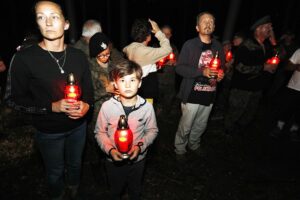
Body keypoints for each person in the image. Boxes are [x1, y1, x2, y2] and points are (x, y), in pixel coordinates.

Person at [4, 1, 94, 199]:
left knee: (75, 164)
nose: (48, 22)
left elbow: (89, 91)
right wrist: (51, 107)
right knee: (54, 172)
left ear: (66, 23)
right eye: (41, 17)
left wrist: (87, 105)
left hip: (78, 128)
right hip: (48, 132)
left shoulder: (78, 56)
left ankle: (74, 188)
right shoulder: (23, 58)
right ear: (37, 24)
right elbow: (12, 99)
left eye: (54, 16)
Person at [95, 60, 158, 200]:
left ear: (140, 83)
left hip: (138, 160)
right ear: (116, 84)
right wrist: (110, 150)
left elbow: (152, 130)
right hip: (113, 160)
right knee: (115, 189)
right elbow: (99, 132)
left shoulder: (146, 107)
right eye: (123, 80)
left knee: (135, 190)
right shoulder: (107, 106)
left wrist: (139, 146)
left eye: (133, 80)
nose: (128, 85)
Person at [174, 12, 225, 160]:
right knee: (186, 126)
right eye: (204, 21)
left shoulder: (218, 46)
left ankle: (194, 145)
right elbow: (179, 68)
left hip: (209, 94)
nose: (208, 23)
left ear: (214, 26)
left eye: (211, 21)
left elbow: (222, 67)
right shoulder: (189, 45)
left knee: (201, 124)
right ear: (197, 27)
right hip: (191, 94)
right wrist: (202, 71)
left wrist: (221, 74)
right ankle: (180, 150)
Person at [224, 15, 278, 135]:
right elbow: (240, 67)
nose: (270, 29)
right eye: (267, 27)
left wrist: (273, 42)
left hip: (257, 87)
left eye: (271, 27)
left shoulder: (266, 46)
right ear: (258, 29)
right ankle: (227, 132)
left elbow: (279, 53)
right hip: (242, 87)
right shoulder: (247, 45)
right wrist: (264, 67)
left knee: (249, 112)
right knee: (236, 111)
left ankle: (239, 130)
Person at [123, 18, 172, 106]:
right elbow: (168, 49)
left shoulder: (130, 48)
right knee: (147, 117)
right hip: (147, 94)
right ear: (148, 37)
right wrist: (158, 32)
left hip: (136, 90)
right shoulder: (146, 51)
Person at [269, 48, 300, 141]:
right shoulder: (299, 51)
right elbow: (287, 66)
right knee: (286, 108)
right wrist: (296, 67)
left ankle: (294, 130)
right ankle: (279, 127)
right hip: (294, 87)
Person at [156, 24, 179, 115]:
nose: (166, 36)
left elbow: (180, 63)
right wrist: (163, 63)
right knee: (156, 102)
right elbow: (149, 64)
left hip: (170, 81)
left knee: (168, 102)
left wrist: (175, 63)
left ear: (170, 35)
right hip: (157, 81)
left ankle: (165, 118)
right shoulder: (154, 47)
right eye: (163, 34)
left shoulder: (173, 48)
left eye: (168, 34)